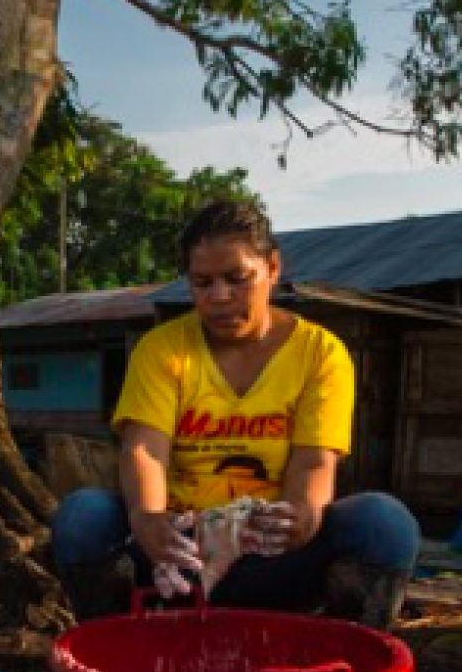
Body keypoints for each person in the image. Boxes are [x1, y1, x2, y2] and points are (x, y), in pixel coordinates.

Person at [51, 199, 419, 632]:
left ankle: (342, 658)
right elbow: (144, 451)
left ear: (273, 268)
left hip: (274, 555)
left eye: (236, 279)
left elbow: (315, 463)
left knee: (386, 524)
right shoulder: (163, 349)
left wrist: (300, 519)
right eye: (202, 283)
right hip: (180, 557)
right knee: (82, 517)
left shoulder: (321, 355)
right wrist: (149, 522)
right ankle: (114, 647)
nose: (219, 297)